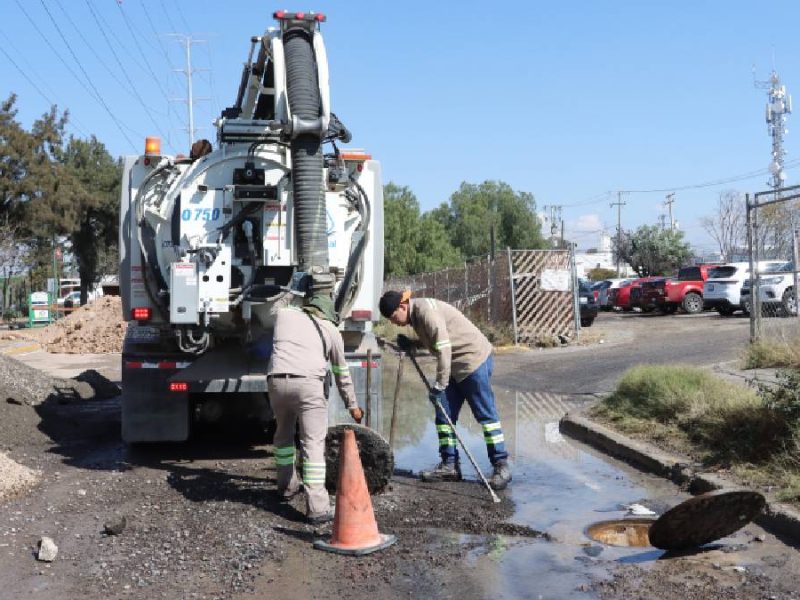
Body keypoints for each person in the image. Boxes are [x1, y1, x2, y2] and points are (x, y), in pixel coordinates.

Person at [379, 290, 512, 491]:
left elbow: (444, 348)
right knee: (444, 414)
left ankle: (501, 466)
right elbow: (436, 341)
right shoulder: (415, 315)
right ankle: (450, 465)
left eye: (393, 317)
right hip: (453, 364)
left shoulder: (426, 313)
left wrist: (440, 385)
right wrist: (414, 344)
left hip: (471, 360)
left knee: (486, 416)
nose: (393, 322)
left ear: (402, 306)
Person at [267, 291, 363, 524]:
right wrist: (353, 406)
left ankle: (286, 487)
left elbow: (272, 306)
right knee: (312, 443)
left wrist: (291, 292)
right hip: (309, 386)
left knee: (283, 437)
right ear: (327, 313)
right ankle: (317, 508)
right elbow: (342, 373)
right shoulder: (331, 331)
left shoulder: (285, 315)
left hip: (276, 382)